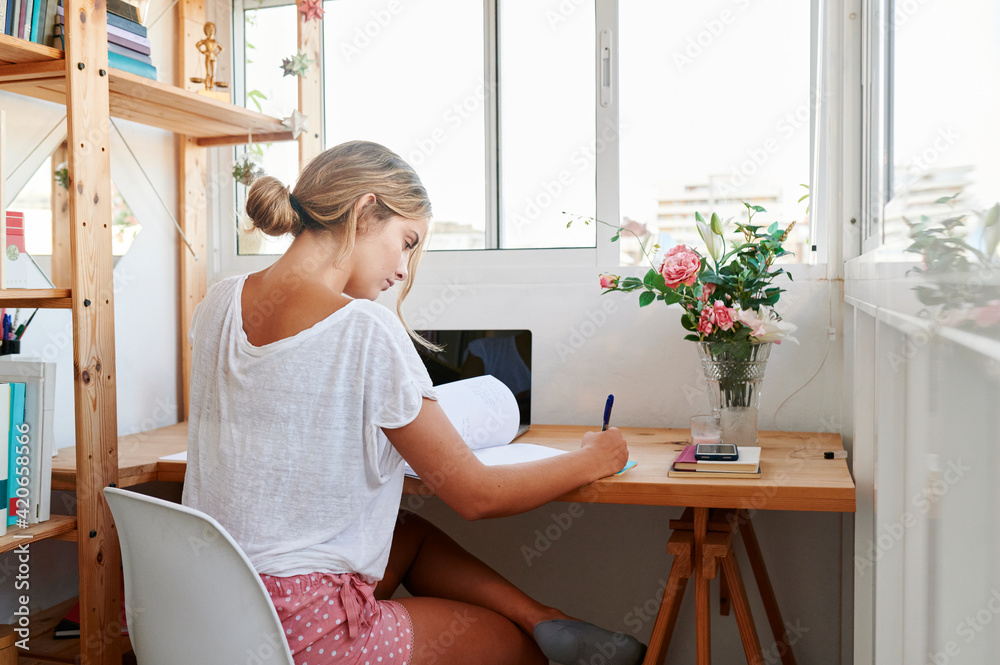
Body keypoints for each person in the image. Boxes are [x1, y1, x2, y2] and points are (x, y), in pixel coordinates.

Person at [182, 140, 646, 665]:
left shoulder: (218, 301)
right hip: (300, 632)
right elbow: (478, 496)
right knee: (516, 652)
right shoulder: (364, 326)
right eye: (406, 242)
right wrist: (595, 458)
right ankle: (537, 634)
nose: (403, 269)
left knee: (408, 533)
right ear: (363, 211)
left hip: (204, 605)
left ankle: (545, 618)